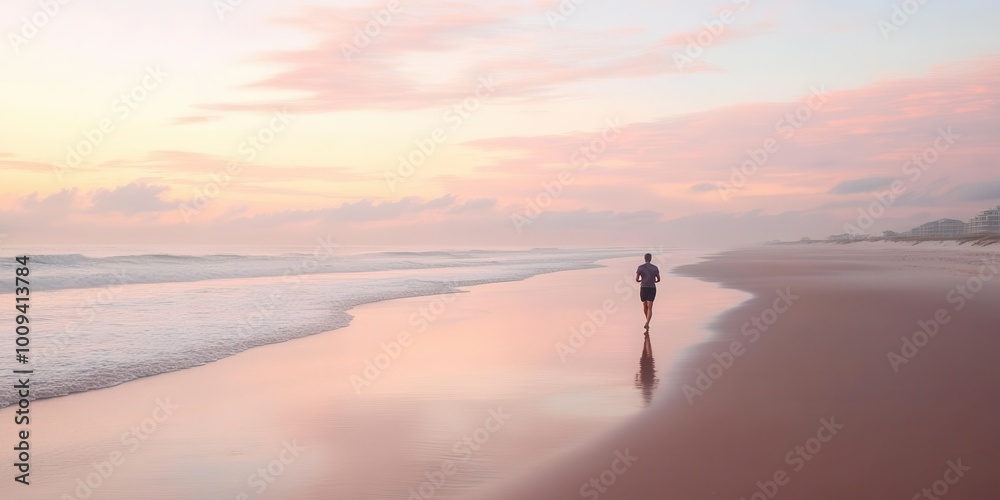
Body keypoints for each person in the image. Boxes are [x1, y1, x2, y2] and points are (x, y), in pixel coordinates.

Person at [635, 253, 660, 330]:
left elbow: (637, 279)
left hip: (643, 288)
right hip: (652, 288)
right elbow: (658, 279)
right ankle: (647, 323)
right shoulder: (655, 268)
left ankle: (647, 322)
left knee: (645, 306)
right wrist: (654, 281)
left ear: (644, 258)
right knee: (650, 307)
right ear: (650, 259)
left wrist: (641, 280)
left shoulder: (640, 267)